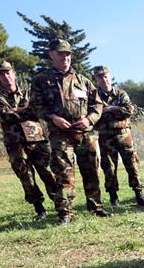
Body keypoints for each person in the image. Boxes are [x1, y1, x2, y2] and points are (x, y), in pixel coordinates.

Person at [30, 38, 108, 224]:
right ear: (51, 55)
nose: (65, 57)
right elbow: (35, 106)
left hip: (85, 133)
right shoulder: (41, 80)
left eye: (67, 54)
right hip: (60, 134)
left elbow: (97, 104)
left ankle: (95, 206)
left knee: (91, 170)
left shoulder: (83, 80)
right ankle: (66, 213)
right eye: (60, 53)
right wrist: (52, 118)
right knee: (64, 173)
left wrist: (88, 119)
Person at [0, 60, 59, 220]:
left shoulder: (28, 92)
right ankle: (39, 209)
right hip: (15, 143)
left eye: (8, 72)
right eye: (2, 73)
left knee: (47, 171)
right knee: (25, 175)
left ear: (14, 74)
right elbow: (4, 114)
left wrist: (16, 111)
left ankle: (58, 203)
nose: (6, 76)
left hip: (37, 139)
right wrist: (21, 110)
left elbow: (36, 111)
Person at [92, 66, 144, 207]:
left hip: (124, 135)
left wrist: (109, 109)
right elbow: (95, 116)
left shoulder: (121, 93)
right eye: (100, 77)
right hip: (106, 137)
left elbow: (128, 110)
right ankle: (114, 198)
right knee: (109, 167)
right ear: (96, 79)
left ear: (110, 76)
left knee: (132, 164)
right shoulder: (94, 96)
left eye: (105, 76)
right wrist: (114, 111)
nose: (103, 79)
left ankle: (139, 195)